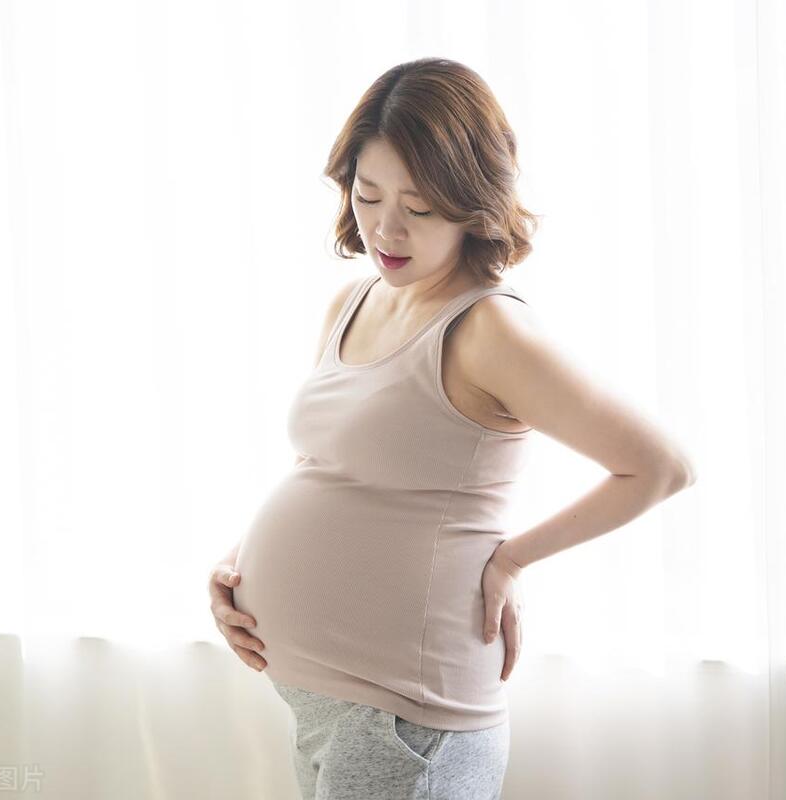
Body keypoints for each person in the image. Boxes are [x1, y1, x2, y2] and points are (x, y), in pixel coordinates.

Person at [206, 57, 697, 800]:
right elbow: (330, 469)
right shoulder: (351, 301)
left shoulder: (487, 330)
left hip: (407, 725)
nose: (386, 227)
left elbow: (660, 466)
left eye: (421, 208)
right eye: (367, 195)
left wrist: (511, 561)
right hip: (321, 706)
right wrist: (237, 570)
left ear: (473, 204)